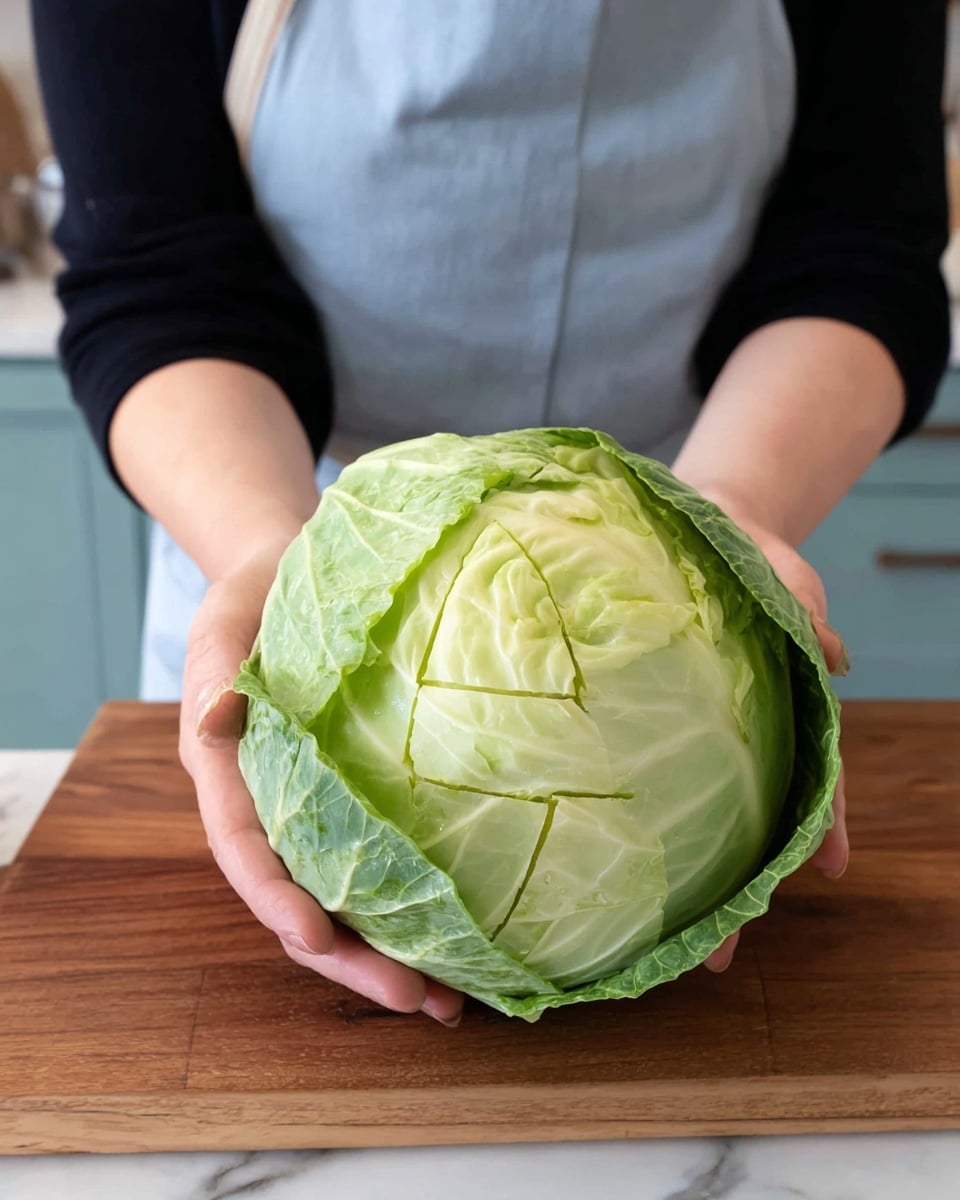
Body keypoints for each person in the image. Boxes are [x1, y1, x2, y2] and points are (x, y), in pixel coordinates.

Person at [33, 0, 949, 1027]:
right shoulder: (281, 558)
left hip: (682, 515)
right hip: (283, 525)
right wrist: (262, 553)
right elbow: (151, 264)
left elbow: (865, 235)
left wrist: (731, 509)